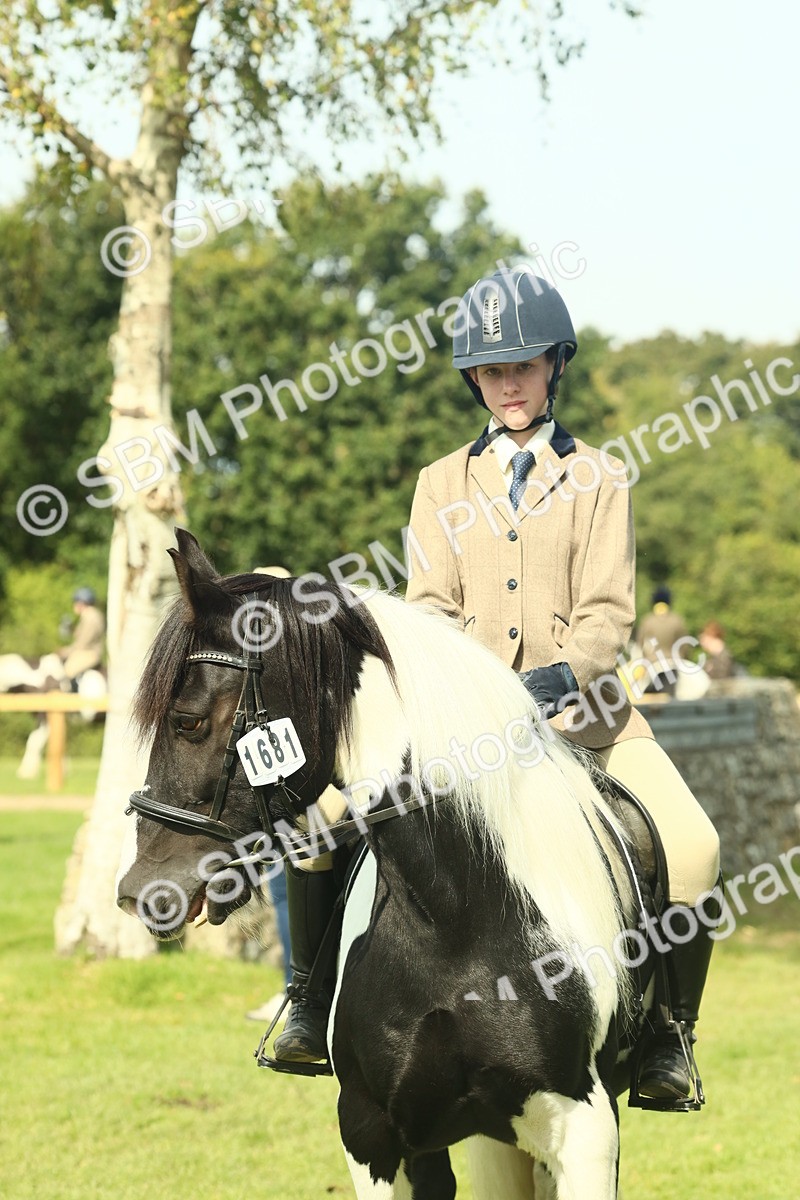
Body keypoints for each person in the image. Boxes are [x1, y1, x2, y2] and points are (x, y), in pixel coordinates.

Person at [403, 265, 721, 1107]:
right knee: (334, 819)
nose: (509, 383)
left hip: (587, 718)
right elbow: (428, 606)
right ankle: (309, 1000)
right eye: (493, 369)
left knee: (694, 850)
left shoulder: (600, 477)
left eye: (525, 365)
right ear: (474, 377)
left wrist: (553, 679)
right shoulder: (441, 484)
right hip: (465, 730)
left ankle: (667, 1039)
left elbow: (610, 615)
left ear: (555, 367)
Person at [636, 586, 690, 696]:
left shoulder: (647, 621)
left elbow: (640, 644)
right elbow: (684, 645)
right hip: (673, 664)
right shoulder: (677, 620)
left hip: (652, 664)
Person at [57, 587, 105, 685]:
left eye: (75, 602)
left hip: (90, 653)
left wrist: (64, 651)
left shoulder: (90, 617)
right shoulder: (91, 615)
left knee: (67, 670)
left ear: (81, 603)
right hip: (88, 651)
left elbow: (82, 644)